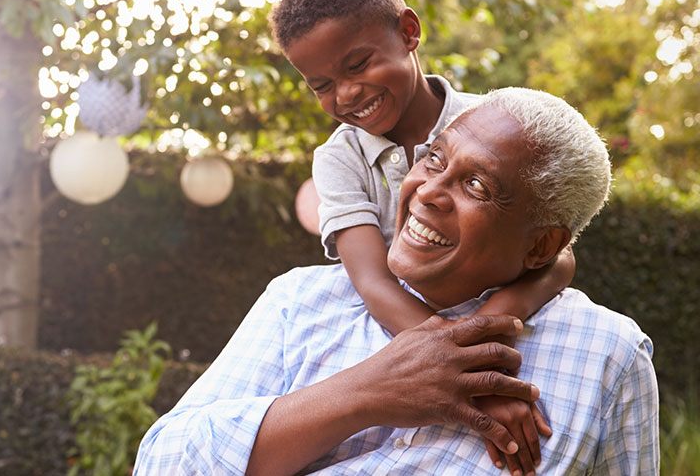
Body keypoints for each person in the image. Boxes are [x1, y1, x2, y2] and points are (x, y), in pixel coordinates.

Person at [133, 89, 659, 476]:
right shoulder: (300, 302)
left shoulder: (609, 356)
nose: (427, 190)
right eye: (435, 158)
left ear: (543, 246)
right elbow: (161, 463)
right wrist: (367, 391)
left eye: (477, 185)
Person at [269, 0, 574, 339]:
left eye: (358, 65)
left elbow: (558, 257)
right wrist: (452, 353)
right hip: (401, 333)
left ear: (408, 32)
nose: (345, 95)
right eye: (322, 86)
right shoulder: (340, 159)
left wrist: (485, 327)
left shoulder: (493, 124)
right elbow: (374, 283)